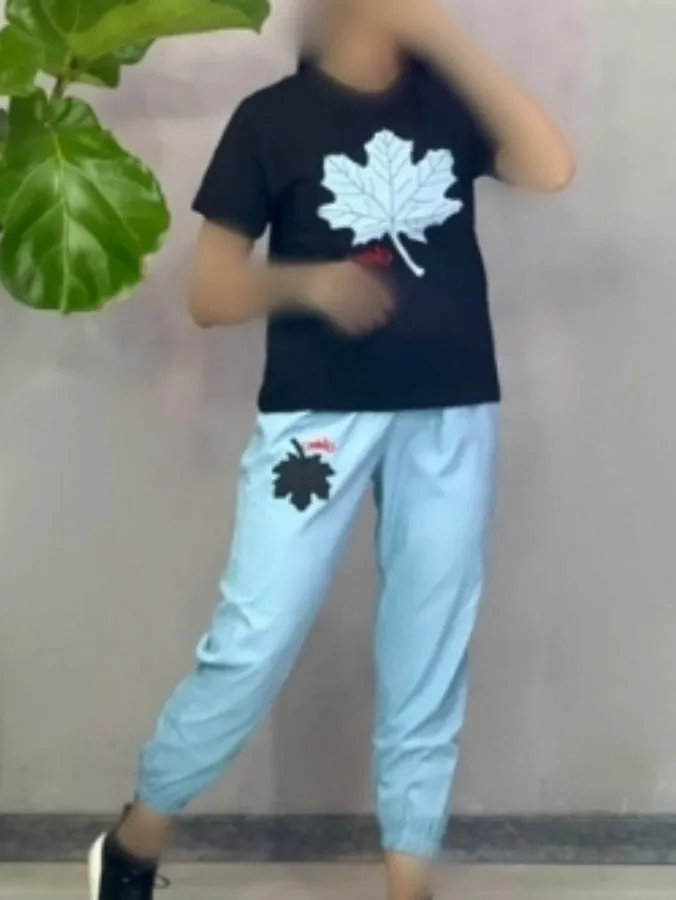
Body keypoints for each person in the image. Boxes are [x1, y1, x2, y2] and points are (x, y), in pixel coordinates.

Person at [89, 1, 575, 898]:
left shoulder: (448, 103)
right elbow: (210, 294)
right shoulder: (272, 120)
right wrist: (308, 283)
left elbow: (551, 168)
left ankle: (408, 879)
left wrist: (443, 39)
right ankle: (135, 839)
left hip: (450, 411)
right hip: (317, 422)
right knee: (255, 639)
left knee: (430, 641)